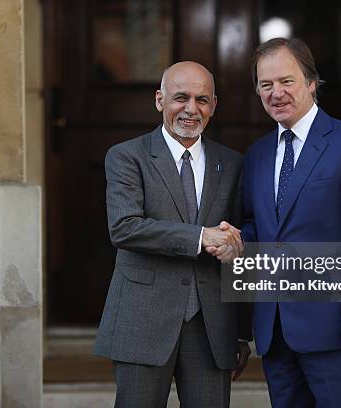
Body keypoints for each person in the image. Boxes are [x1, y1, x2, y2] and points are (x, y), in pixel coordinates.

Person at [241, 38, 341, 407]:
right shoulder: (257, 155)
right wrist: (231, 239)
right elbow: (256, 229)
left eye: (286, 81)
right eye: (266, 84)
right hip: (276, 331)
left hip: (339, 328)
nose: (276, 93)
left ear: (311, 82)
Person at [94, 61, 252, 408]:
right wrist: (200, 237)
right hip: (142, 321)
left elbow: (239, 244)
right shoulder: (127, 156)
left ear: (214, 105)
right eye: (180, 98)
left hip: (211, 327)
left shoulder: (234, 163)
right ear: (159, 100)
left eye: (202, 99)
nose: (191, 109)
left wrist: (241, 331)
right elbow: (124, 227)